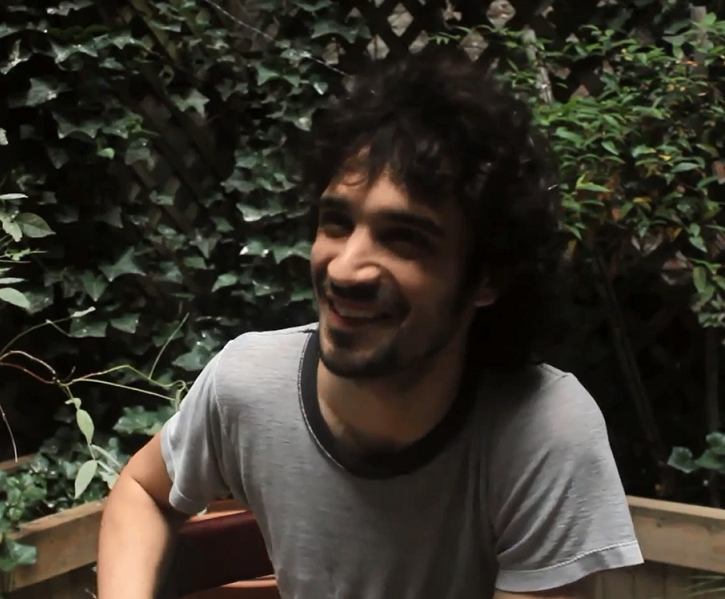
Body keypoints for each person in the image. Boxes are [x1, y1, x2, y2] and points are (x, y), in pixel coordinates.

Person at [96, 47, 643, 599]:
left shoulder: (543, 434)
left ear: (487, 277)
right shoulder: (248, 385)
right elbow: (143, 491)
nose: (344, 268)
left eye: (404, 238)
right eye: (336, 223)